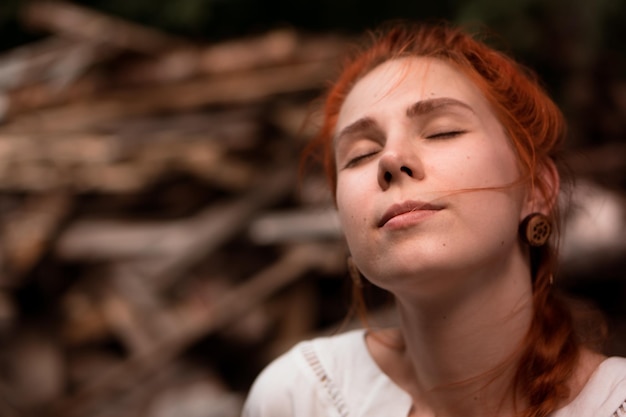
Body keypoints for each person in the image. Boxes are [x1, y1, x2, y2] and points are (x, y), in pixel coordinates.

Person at [241, 21, 626, 417]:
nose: (390, 160)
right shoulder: (299, 399)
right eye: (359, 155)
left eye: (442, 132)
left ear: (537, 188)